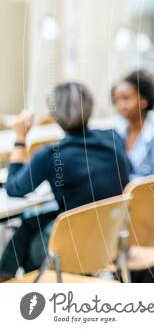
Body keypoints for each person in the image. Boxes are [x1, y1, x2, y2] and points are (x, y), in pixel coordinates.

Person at [0, 82, 132, 280]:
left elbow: (14, 188)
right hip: (110, 240)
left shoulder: (51, 155)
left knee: (28, 233)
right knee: (30, 224)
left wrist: (20, 138)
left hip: (70, 250)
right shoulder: (113, 138)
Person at [112, 70, 154, 180]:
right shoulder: (116, 130)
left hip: (146, 196)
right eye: (117, 100)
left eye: (126, 99)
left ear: (144, 101)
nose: (121, 105)